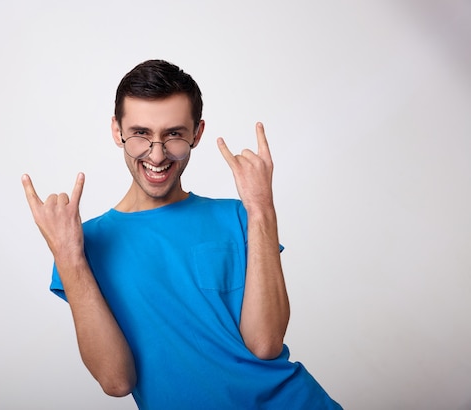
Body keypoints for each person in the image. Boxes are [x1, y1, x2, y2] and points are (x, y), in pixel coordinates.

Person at [22, 59, 342, 409]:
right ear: (117, 131)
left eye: (173, 134)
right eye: (141, 133)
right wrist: (68, 257)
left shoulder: (238, 215)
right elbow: (116, 381)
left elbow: (264, 344)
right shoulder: (83, 244)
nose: (157, 155)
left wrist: (262, 208)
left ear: (197, 133)